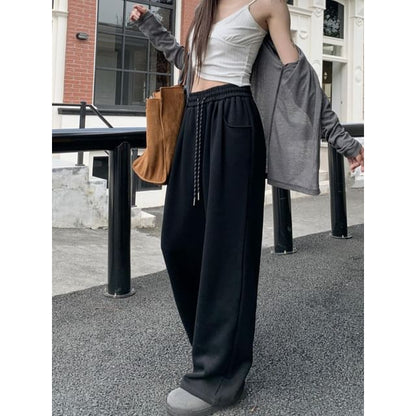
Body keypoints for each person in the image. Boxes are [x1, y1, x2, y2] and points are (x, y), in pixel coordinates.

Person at [129, 1, 364, 415]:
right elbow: (190, 63)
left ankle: (220, 376)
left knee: (228, 253)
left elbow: (298, 78)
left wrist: (342, 139)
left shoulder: (267, 5)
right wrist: (151, 25)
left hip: (234, 122)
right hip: (193, 120)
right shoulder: (206, 7)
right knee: (177, 241)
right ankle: (213, 345)